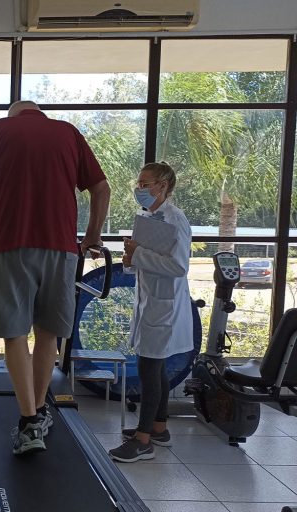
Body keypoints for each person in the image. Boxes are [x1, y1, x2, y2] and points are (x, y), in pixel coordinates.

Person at [0, 100, 111, 455]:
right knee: (48, 334)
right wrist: (92, 237)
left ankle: (29, 418)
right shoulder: (68, 133)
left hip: (12, 247)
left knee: (15, 334)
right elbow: (101, 189)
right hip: (62, 249)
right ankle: (37, 411)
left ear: (13, 115)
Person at [109, 161, 193, 463]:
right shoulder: (148, 217)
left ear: (163, 186)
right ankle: (159, 428)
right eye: (139, 183)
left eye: (146, 184)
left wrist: (138, 254)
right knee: (154, 367)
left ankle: (142, 441)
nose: (140, 189)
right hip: (151, 301)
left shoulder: (175, 220)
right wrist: (131, 258)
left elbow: (178, 267)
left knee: (149, 368)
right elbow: (144, 262)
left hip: (165, 306)